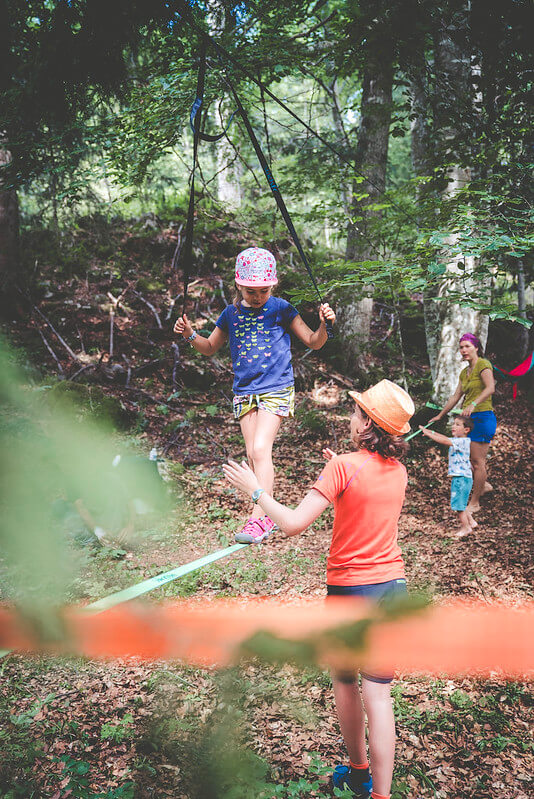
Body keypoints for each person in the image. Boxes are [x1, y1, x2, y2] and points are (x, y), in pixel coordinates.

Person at [223, 379, 415, 799]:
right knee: (379, 696)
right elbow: (364, 494)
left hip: (352, 592)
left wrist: (255, 490)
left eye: (356, 411)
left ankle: (359, 772)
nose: (351, 416)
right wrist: (339, 468)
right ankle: (379, 795)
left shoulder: (343, 466)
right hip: (392, 588)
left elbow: (291, 524)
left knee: (345, 680)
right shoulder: (397, 470)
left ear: (366, 425)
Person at [174, 246, 336, 543]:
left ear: (272, 285)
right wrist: (189, 335)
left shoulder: (281, 308)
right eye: (251, 291)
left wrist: (324, 324)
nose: (257, 296)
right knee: (252, 454)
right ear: (238, 285)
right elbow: (209, 347)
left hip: (276, 387)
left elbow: (314, 342)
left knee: (261, 451)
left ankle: (261, 518)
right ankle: (262, 516)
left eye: (263, 290)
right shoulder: (230, 314)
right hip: (245, 391)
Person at [428, 333, 496, 513]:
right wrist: (441, 415)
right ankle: (484, 485)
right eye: (461, 347)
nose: (463, 350)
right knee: (468, 458)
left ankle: (474, 502)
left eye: (467, 346)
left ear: (476, 348)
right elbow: (456, 396)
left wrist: (474, 403)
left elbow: (490, 388)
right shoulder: (464, 372)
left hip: (483, 417)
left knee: (476, 461)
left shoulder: (483, 364)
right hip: (469, 419)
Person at [419, 416, 476, 537]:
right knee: (462, 502)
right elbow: (445, 438)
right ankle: (471, 522)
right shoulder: (459, 440)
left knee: (458, 506)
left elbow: (444, 441)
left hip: (461, 478)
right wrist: (430, 431)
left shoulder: (462, 441)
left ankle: (466, 528)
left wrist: (429, 435)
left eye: (458, 424)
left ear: (466, 430)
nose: (453, 426)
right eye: (453, 424)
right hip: (464, 477)